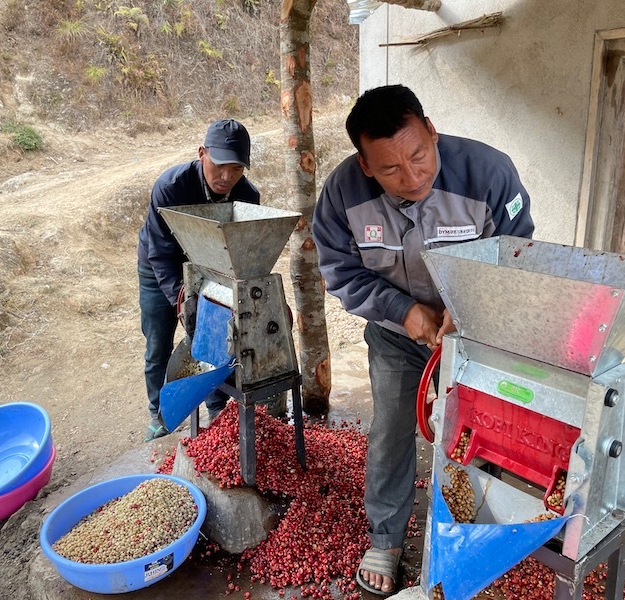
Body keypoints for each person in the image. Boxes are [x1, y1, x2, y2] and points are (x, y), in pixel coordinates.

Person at [313, 84, 534, 596]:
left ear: (432, 131)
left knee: (479, 431)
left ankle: (472, 532)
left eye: (419, 155)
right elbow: (341, 271)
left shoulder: (490, 173)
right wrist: (402, 310)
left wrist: (471, 309)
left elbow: (518, 257)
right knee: (391, 427)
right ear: (365, 165)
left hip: (476, 333)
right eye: (390, 169)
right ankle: (387, 537)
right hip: (397, 336)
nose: (412, 177)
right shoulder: (343, 194)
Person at [138, 119, 259, 442]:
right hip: (160, 267)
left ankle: (216, 406)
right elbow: (161, 254)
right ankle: (160, 414)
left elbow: (241, 254)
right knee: (158, 344)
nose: (226, 177)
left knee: (216, 338)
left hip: (210, 270)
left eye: (236, 169)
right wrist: (181, 300)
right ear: (202, 153)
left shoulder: (246, 196)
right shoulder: (172, 187)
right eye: (220, 166)